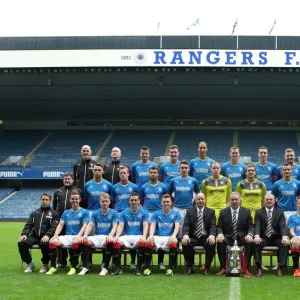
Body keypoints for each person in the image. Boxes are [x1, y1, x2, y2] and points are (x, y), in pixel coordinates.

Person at [46, 191, 89, 275]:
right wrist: (55, 235)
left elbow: (85, 225)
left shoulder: (85, 212)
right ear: (70, 200)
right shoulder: (66, 212)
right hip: (67, 236)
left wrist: (79, 235)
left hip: (78, 236)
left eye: (76, 199)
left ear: (79, 200)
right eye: (73, 199)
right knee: (52, 242)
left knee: (75, 242)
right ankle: (53, 267)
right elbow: (61, 224)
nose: (74, 200)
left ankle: (73, 267)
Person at [18, 193, 59, 273]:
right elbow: (29, 225)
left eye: (46, 200)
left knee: (45, 243)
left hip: (46, 236)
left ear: (50, 201)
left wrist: (48, 235)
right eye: (43, 199)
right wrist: (24, 234)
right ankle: (29, 264)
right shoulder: (34, 213)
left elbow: (53, 226)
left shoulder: (54, 214)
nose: (44, 201)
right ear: (40, 200)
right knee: (21, 243)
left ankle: (45, 264)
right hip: (35, 236)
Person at [79, 193, 119, 275]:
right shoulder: (95, 213)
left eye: (106, 201)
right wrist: (85, 235)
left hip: (108, 236)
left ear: (109, 202)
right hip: (97, 237)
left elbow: (115, 227)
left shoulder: (114, 213)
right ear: (100, 202)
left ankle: (105, 267)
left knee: (110, 241)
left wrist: (110, 236)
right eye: (103, 201)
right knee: (83, 241)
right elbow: (90, 224)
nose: (104, 203)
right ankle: (85, 267)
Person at [216, 192, 253, 277]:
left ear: (240, 200)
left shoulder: (246, 211)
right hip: (228, 238)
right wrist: (220, 234)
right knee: (220, 242)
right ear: (229, 200)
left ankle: (245, 268)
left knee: (249, 242)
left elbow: (251, 226)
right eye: (232, 199)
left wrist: (250, 234)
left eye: (236, 199)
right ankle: (224, 267)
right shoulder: (223, 212)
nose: (234, 201)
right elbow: (219, 226)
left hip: (241, 238)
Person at [113, 193, 149, 276]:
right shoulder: (123, 212)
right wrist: (117, 236)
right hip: (127, 236)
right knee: (116, 242)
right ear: (129, 201)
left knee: (142, 242)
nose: (134, 201)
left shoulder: (144, 212)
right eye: (132, 200)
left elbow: (145, 225)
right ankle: (118, 268)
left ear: (139, 201)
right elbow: (121, 225)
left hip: (138, 236)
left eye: (135, 200)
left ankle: (138, 268)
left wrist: (144, 237)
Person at [254, 194, 289, 277]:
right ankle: (259, 267)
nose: (269, 201)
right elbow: (257, 225)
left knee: (284, 243)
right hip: (264, 238)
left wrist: (284, 237)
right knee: (256, 243)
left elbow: (282, 226)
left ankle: (280, 267)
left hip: (276, 238)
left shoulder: (280, 212)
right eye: (267, 199)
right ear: (264, 201)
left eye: (271, 199)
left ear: (274, 201)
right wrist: (257, 236)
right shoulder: (258, 212)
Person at [53, 172, 83, 267]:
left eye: (68, 179)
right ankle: (62, 262)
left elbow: (82, 206)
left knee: (74, 239)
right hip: (61, 219)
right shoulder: (57, 192)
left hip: (74, 219)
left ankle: (74, 262)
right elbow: (54, 206)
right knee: (61, 240)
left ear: (73, 180)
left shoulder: (78, 191)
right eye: (65, 179)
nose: (67, 180)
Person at [182, 192, 216, 275]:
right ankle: (190, 266)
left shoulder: (211, 211)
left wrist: (211, 236)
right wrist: (185, 235)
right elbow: (186, 225)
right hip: (193, 237)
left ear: (205, 200)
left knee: (212, 243)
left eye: (202, 199)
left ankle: (207, 267)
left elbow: (213, 226)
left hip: (205, 237)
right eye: (198, 199)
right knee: (185, 242)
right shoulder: (189, 211)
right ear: (195, 201)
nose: (200, 200)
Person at [147, 194, 181, 276]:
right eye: (164, 202)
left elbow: (177, 226)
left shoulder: (176, 213)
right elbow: (152, 225)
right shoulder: (156, 214)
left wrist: (173, 236)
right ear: (161, 203)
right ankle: (147, 268)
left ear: (171, 203)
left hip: (170, 237)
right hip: (158, 237)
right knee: (148, 242)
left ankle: (170, 268)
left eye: (168, 202)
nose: (166, 203)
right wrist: (151, 235)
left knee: (173, 242)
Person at [168, 160, 200, 226]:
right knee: (177, 229)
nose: (184, 169)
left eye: (186, 168)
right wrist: (173, 202)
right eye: (182, 168)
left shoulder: (193, 181)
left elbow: (198, 194)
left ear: (188, 169)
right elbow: (169, 193)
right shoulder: (173, 181)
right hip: (176, 209)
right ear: (179, 168)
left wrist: (194, 203)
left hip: (189, 209)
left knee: (188, 229)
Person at [288, 197, 300, 276]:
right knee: (296, 242)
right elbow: (291, 230)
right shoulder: (292, 217)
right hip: (296, 237)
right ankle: (296, 268)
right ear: (296, 204)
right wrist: (296, 236)